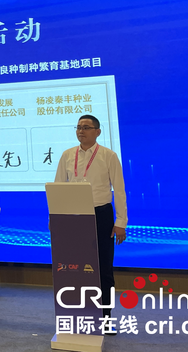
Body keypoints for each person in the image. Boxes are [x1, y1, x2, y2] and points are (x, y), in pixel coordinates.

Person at [54, 115, 127, 319]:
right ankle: (79, 313)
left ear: (97, 131)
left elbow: (119, 190)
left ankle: (105, 316)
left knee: (103, 268)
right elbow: (58, 187)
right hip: (74, 217)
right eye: (78, 127)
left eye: (86, 127)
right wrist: (56, 218)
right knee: (74, 267)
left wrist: (121, 222)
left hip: (101, 215)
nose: (81, 131)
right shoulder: (67, 155)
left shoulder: (108, 155)